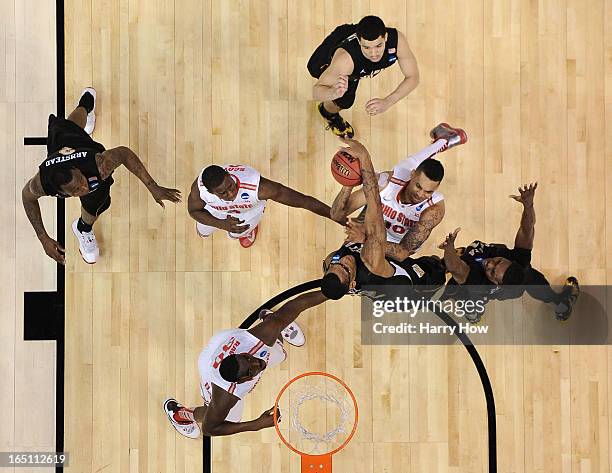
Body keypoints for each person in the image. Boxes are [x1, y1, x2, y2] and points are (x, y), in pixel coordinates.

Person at [21, 88, 181, 264]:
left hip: (82, 150)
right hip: (59, 147)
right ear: (59, 192)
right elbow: (27, 197)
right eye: (76, 190)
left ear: (76, 169)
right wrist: (43, 237)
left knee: (74, 128)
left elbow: (124, 154)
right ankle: (84, 228)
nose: (84, 187)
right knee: (66, 128)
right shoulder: (42, 183)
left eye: (81, 180)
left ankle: (83, 227)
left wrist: (153, 187)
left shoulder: (99, 165)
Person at [163, 290, 327, 438]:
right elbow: (209, 428)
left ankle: (270, 318)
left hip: (224, 342)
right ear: (240, 381)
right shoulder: (226, 394)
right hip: (208, 368)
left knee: (276, 334)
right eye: (251, 371)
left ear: (242, 354)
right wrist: (256, 425)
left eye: (249, 358)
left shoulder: (252, 343)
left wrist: (331, 291)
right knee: (227, 417)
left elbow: (297, 305)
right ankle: (182, 415)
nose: (258, 364)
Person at [320, 139, 445, 300]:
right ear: (352, 282)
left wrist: (348, 182)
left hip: (377, 238)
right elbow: (401, 253)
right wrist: (364, 158)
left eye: (427, 192)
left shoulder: (331, 261)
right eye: (346, 267)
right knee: (437, 268)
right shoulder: (370, 261)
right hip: (396, 264)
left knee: (396, 174)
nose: (344, 260)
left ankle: (442, 141)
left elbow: (336, 214)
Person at [439, 183, 580, 323]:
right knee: (530, 276)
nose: (490, 264)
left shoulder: (477, 280)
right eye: (498, 261)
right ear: (511, 261)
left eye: (492, 272)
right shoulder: (520, 262)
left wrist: (449, 248)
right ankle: (561, 305)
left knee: (463, 296)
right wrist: (528, 205)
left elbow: (456, 268)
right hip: (512, 288)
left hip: (475, 290)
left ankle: (473, 316)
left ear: (497, 282)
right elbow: (527, 230)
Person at [330, 123, 467, 262]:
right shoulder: (388, 182)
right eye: (418, 186)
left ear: (436, 190)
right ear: (412, 176)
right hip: (372, 225)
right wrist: (348, 183)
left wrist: (365, 239)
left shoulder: (434, 209)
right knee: (407, 166)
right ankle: (444, 140)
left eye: (428, 192)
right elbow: (337, 214)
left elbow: (402, 253)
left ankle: (443, 140)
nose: (420, 195)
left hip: (394, 246)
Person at [308, 15, 419, 138]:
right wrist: (333, 92)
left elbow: (413, 77)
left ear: (385, 37)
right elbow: (315, 92)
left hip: (354, 56)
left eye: (378, 46)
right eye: (366, 47)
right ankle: (328, 113)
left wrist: (388, 101)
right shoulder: (345, 61)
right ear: (359, 41)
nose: (373, 54)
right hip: (332, 56)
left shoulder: (397, 41)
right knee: (343, 100)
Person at [188, 164, 336, 248]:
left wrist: (338, 217)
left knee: (236, 234)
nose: (231, 193)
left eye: (230, 186)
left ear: (228, 174)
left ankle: (249, 230)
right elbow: (193, 210)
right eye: (223, 193)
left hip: (246, 212)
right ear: (211, 192)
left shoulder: (259, 188)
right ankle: (224, 226)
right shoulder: (200, 187)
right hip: (215, 213)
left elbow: (305, 201)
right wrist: (221, 224)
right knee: (203, 232)